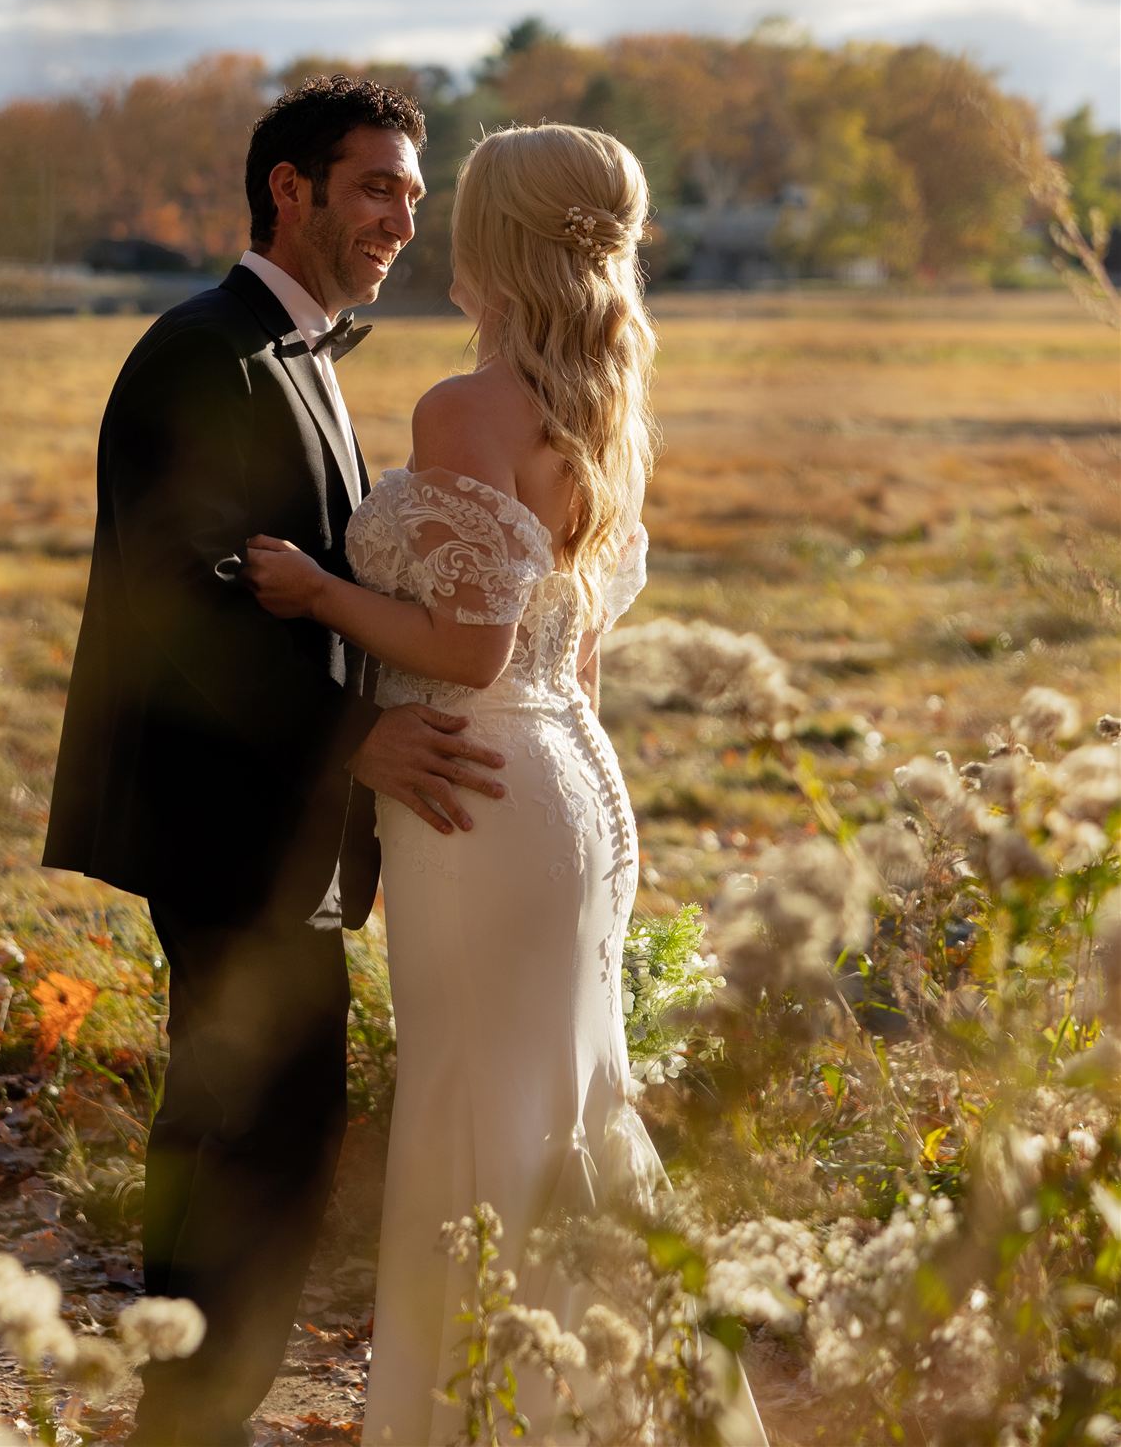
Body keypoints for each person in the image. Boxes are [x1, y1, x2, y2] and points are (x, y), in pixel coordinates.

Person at [244, 123, 769, 1446]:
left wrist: (319, 593)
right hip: (571, 783)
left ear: (490, 241)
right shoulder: (600, 409)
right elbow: (571, 655)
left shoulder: (464, 409)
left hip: (477, 786)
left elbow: (468, 647)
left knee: (476, 1110)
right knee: (568, 1103)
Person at [41, 76, 510, 1447]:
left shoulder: (291, 352)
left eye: (413, 197)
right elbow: (174, 603)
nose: (398, 219)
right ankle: (190, 1414)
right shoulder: (206, 353)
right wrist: (356, 737)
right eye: (374, 187)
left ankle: (195, 1409)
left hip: (273, 817)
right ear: (288, 189)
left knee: (262, 1123)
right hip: (218, 812)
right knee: (255, 1127)